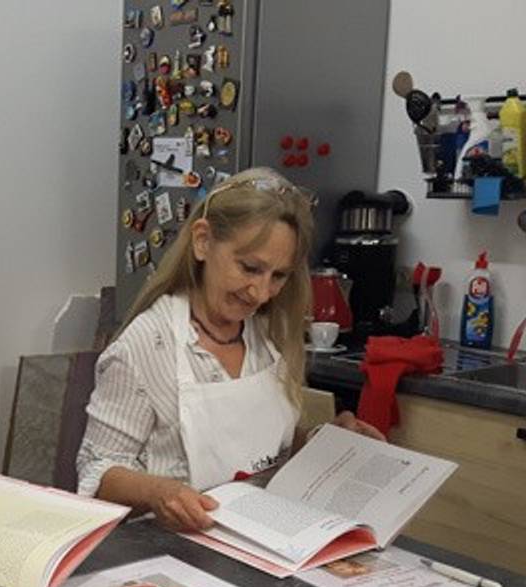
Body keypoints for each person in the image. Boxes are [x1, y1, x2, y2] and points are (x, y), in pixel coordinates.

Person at [77, 167, 384, 531]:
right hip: (174, 549)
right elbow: (95, 473)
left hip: (265, 534)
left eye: (279, 276)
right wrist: (160, 492)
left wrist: (326, 441)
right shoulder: (145, 346)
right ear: (203, 241)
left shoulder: (267, 336)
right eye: (250, 268)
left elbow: (268, 449)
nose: (261, 292)